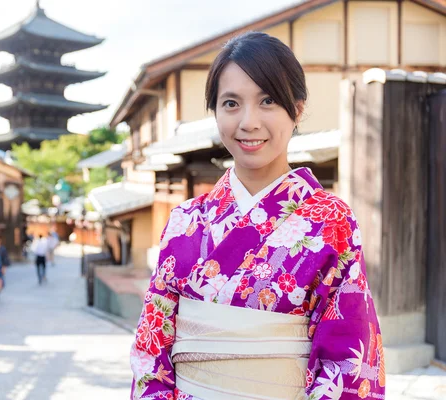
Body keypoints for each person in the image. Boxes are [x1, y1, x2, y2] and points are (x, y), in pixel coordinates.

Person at [129, 32, 385, 400]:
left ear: (296, 109)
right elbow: (151, 347)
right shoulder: (185, 221)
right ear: (215, 112)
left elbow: (349, 361)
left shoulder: (331, 221)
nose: (248, 122)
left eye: (267, 100)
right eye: (231, 103)